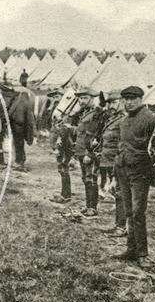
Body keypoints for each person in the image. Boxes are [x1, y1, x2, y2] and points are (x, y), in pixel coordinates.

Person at [113, 86, 155, 266]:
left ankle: (142, 254)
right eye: (126, 99)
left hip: (140, 172)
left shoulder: (150, 119)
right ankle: (131, 249)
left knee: (138, 212)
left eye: (133, 99)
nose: (129, 102)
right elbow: (121, 144)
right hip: (123, 170)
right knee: (129, 210)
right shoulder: (123, 121)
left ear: (141, 99)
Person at [97, 90, 126, 237]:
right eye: (109, 103)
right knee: (117, 192)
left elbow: (121, 144)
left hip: (118, 161)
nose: (110, 106)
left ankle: (121, 227)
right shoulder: (114, 118)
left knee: (121, 193)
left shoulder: (124, 120)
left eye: (114, 102)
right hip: (109, 160)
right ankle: (118, 224)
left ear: (122, 101)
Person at [73, 87, 104, 217]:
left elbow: (95, 136)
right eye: (80, 98)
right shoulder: (84, 113)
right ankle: (88, 205)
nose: (82, 101)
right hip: (80, 150)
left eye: (85, 98)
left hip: (88, 152)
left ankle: (93, 208)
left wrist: (89, 153)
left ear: (92, 99)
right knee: (85, 179)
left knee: (91, 179)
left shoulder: (96, 114)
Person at [49, 89, 77, 204]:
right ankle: (65, 193)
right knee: (62, 167)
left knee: (63, 166)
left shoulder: (75, 115)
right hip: (63, 142)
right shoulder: (66, 113)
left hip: (69, 143)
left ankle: (66, 194)